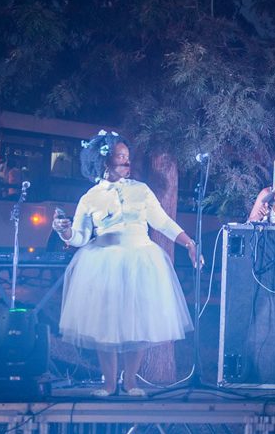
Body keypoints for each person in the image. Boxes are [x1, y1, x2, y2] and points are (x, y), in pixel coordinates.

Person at [51, 130, 201, 397]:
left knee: (139, 321)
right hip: (102, 261)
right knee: (104, 324)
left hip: (141, 258)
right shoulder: (90, 197)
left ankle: (130, 382)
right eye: (120, 156)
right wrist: (63, 231)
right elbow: (80, 237)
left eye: (128, 157)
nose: (126, 161)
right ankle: (108, 384)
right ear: (103, 161)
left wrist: (189, 243)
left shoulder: (141, 190)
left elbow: (162, 222)